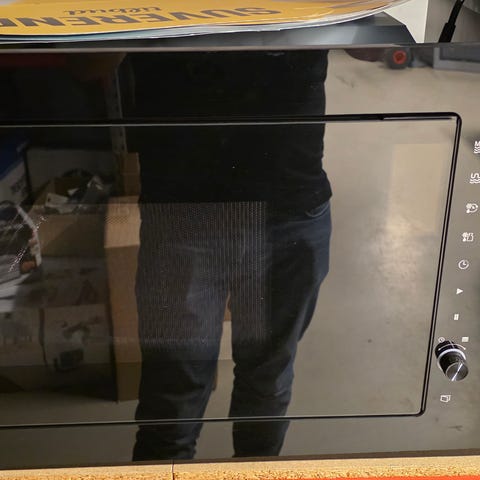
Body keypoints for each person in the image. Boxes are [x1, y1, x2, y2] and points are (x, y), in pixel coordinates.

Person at [126, 49, 332, 460]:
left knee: (266, 380)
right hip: (185, 204)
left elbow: (375, 45)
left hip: (287, 199)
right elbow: (86, 64)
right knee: (172, 398)